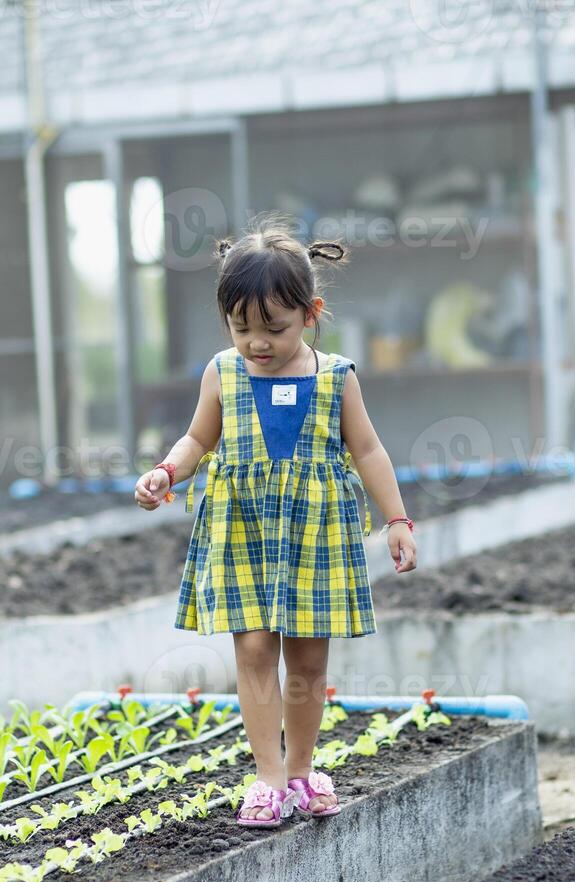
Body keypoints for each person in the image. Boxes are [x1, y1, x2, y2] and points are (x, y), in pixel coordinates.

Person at [135, 217, 418, 826]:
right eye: (242, 328)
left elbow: (367, 450)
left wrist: (398, 520)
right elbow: (197, 439)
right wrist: (166, 471)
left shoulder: (336, 378)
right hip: (243, 530)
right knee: (256, 649)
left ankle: (300, 771)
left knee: (309, 658)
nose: (257, 343)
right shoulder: (222, 372)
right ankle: (266, 777)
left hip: (316, 532)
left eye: (274, 328)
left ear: (311, 312)